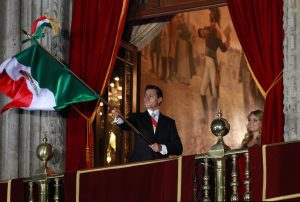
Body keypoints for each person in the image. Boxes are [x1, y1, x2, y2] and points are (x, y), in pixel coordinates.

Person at [111, 84, 183, 162]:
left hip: (161, 168)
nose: (146, 99)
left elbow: (178, 148)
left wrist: (161, 147)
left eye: (150, 96)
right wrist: (119, 117)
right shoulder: (137, 117)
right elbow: (125, 125)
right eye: (145, 96)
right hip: (139, 167)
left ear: (159, 99)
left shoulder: (169, 123)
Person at [198, 8, 231, 123]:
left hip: (211, 62)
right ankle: (207, 118)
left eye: (211, 14)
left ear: (214, 16)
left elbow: (224, 48)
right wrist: (218, 30)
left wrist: (221, 31)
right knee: (202, 90)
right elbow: (201, 33)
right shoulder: (211, 29)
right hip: (208, 62)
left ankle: (214, 119)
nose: (210, 16)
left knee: (214, 92)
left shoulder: (215, 31)